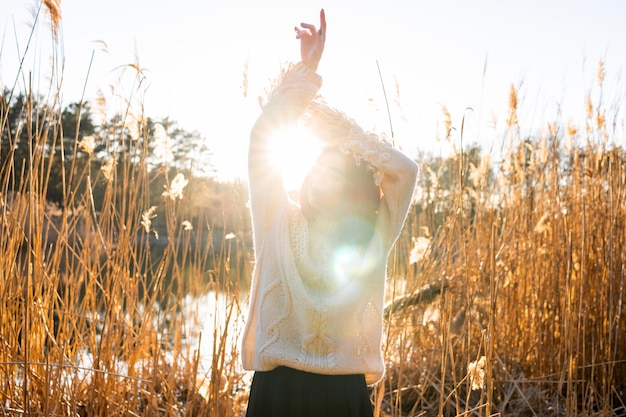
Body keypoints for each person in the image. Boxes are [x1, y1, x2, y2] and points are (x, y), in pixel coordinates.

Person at [241, 9, 418, 417]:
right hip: (277, 393)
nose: (319, 179)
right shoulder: (277, 221)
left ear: (354, 186)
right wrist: (307, 72)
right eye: (317, 169)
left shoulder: (371, 233)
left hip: (342, 396)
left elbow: (405, 172)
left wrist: (335, 129)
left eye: (334, 173)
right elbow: (260, 140)